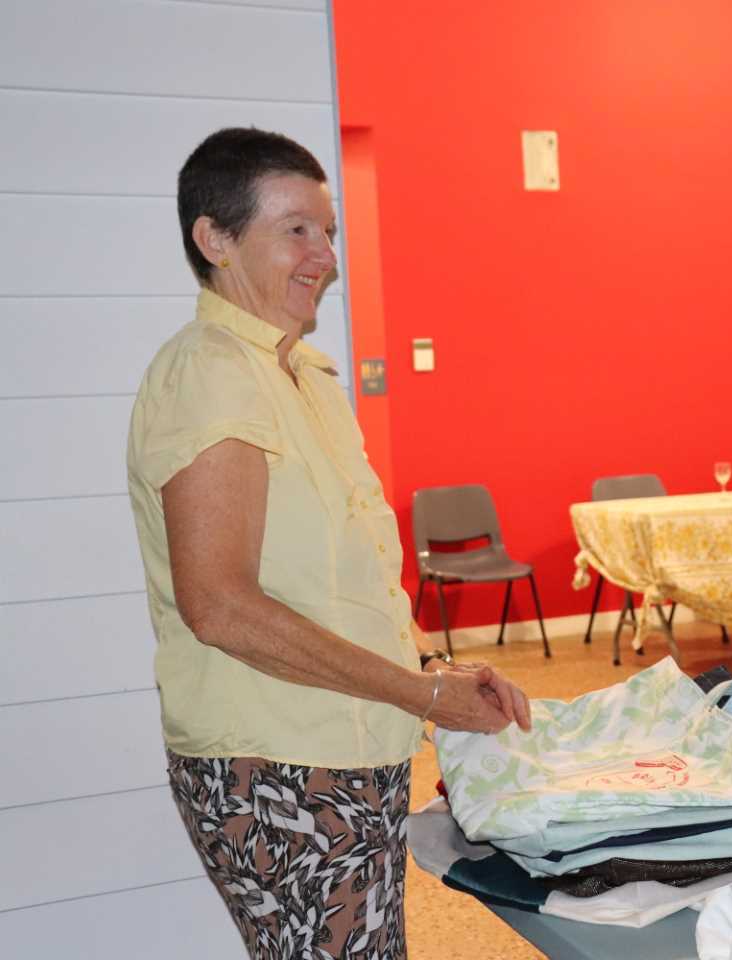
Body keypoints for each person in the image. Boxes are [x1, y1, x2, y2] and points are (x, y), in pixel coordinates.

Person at [127, 127, 532, 959]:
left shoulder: (298, 374)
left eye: (329, 231)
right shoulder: (211, 372)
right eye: (296, 230)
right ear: (215, 239)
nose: (325, 256)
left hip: (338, 751)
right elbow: (222, 607)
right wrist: (421, 699)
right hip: (277, 768)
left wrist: (430, 671)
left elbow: (333, 588)